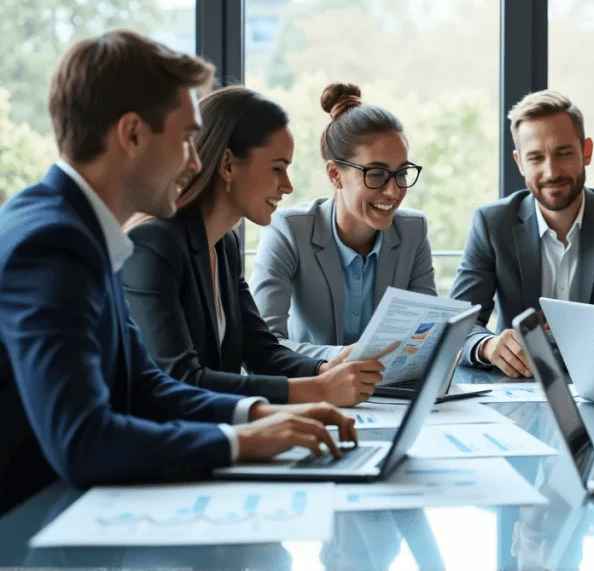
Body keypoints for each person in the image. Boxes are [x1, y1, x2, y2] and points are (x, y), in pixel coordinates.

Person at [0, 30, 356, 515]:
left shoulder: (79, 228)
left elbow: (146, 384)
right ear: (132, 133)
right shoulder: (53, 242)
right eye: (188, 139)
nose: (195, 161)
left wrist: (258, 415)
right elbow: (82, 441)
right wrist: (240, 442)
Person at [121, 85, 389, 407]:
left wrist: (325, 369)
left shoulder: (224, 244)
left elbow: (261, 351)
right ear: (228, 164)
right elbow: (179, 380)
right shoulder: (152, 245)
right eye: (278, 168)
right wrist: (317, 390)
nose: (288, 186)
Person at [450, 89, 594, 378]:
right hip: (511, 388)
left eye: (563, 153)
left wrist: (546, 344)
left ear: (586, 151)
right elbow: (457, 324)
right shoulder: (491, 223)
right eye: (536, 158)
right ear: (519, 162)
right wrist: (488, 346)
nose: (552, 172)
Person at [251, 82, 436, 360]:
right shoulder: (288, 230)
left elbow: (425, 334)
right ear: (335, 174)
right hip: (313, 388)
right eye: (376, 174)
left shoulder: (413, 231)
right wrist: (349, 359)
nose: (394, 190)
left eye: (402, 173)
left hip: (389, 393)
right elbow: (263, 343)